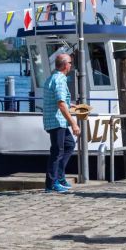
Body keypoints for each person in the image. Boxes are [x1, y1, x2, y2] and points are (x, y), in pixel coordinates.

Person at [43, 53, 80, 193]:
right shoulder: (60, 80)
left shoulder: (53, 78)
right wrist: (74, 123)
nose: (71, 65)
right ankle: (51, 183)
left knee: (69, 144)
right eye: (70, 62)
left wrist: (74, 107)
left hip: (57, 121)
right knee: (57, 151)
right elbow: (61, 104)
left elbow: (61, 102)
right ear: (65, 65)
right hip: (57, 121)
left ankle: (59, 176)